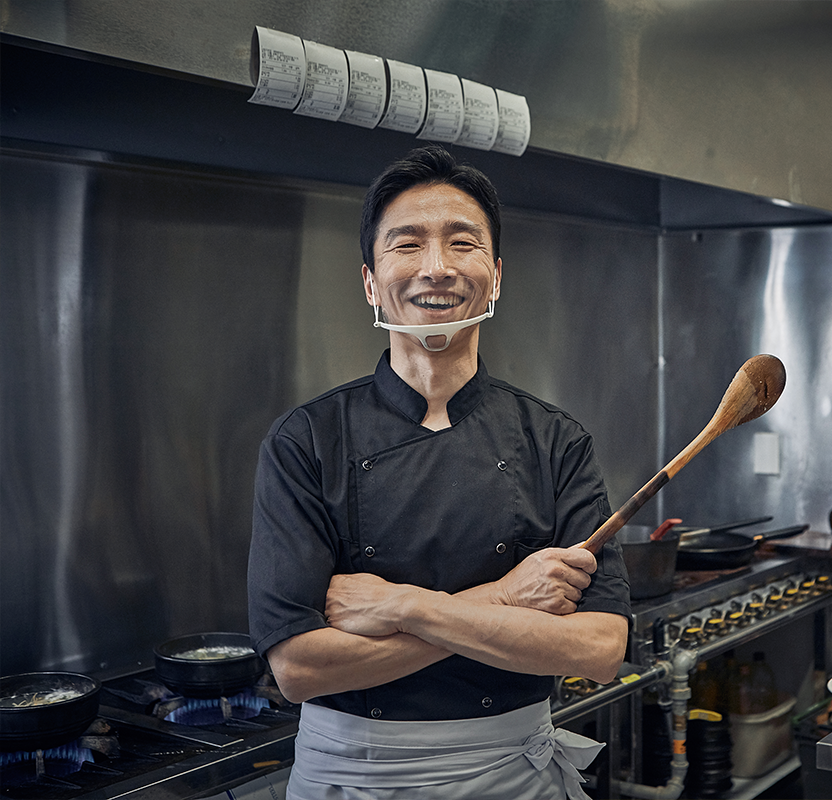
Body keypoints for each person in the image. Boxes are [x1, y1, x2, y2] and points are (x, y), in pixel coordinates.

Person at [247, 144, 631, 799]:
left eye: (462, 243)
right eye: (407, 245)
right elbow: (300, 668)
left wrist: (399, 606)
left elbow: (597, 650)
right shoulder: (305, 441)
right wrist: (508, 600)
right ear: (370, 281)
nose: (437, 268)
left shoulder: (555, 440)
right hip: (355, 776)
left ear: (497, 275)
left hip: (513, 776)